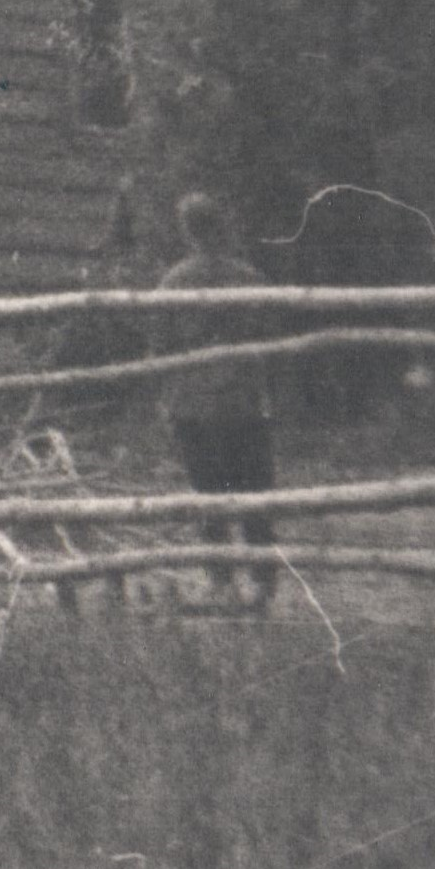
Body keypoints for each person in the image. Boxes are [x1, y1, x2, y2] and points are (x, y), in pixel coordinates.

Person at [153, 189, 283, 609]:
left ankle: (221, 580)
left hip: (194, 403)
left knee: (209, 492)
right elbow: (270, 335)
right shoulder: (250, 278)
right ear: (221, 227)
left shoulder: (174, 282)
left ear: (187, 231)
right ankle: (262, 581)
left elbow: (160, 344)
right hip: (243, 401)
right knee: (254, 493)